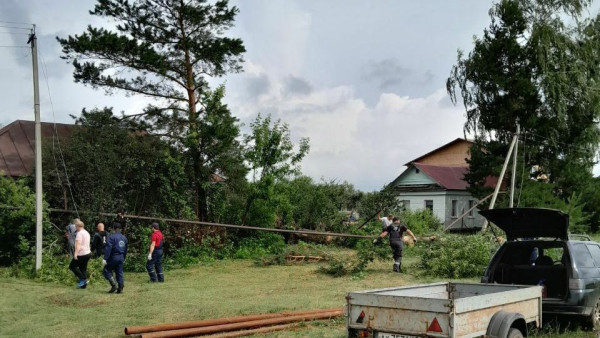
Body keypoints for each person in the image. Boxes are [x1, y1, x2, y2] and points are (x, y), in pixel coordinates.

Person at [103, 222, 128, 294]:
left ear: (114, 228)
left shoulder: (111, 237)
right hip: (121, 257)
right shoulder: (124, 238)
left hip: (113, 257)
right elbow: (126, 249)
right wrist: (124, 258)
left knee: (106, 270)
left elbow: (108, 249)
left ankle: (113, 284)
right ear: (120, 229)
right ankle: (120, 288)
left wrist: (105, 258)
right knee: (119, 272)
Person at [69, 219, 92, 288]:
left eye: (76, 227)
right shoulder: (86, 232)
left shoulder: (79, 233)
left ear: (78, 226)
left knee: (72, 266)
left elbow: (78, 244)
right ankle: (83, 285)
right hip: (88, 253)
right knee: (82, 268)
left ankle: (83, 279)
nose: (75, 228)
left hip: (82, 253)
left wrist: (75, 254)